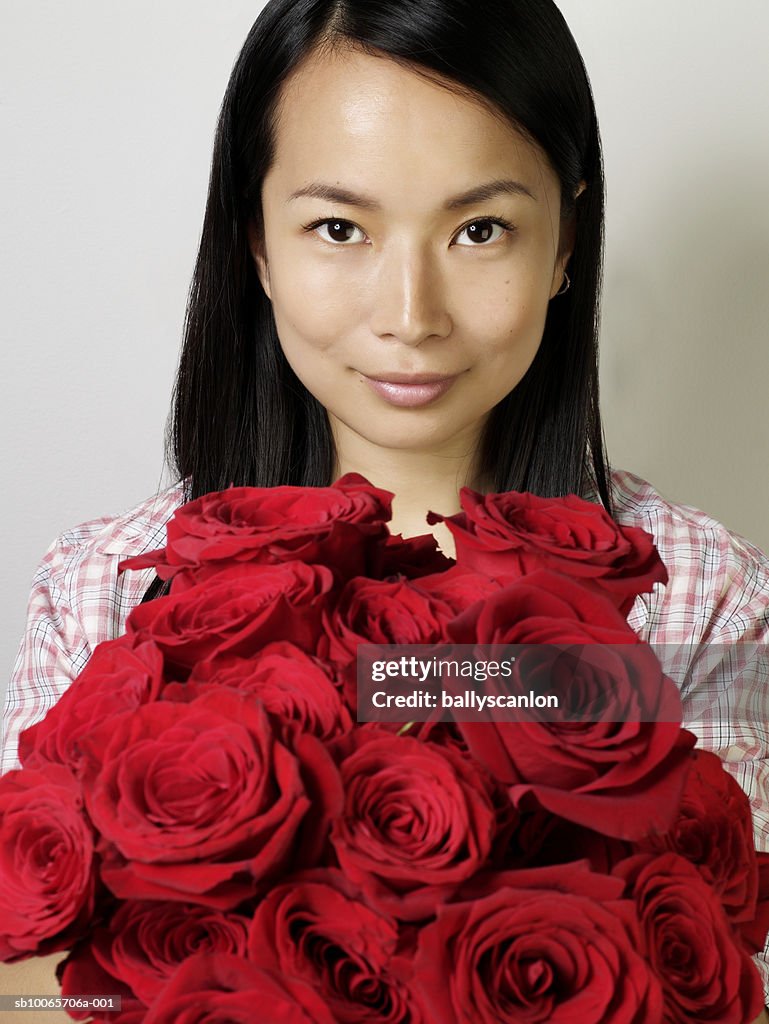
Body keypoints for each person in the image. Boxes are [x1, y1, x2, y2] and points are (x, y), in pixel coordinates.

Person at [2, 0, 768, 1017]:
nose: (410, 315)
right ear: (257, 247)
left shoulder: (702, 594)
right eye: (338, 227)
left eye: (480, 228)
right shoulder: (107, 583)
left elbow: (731, 978)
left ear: (565, 244)